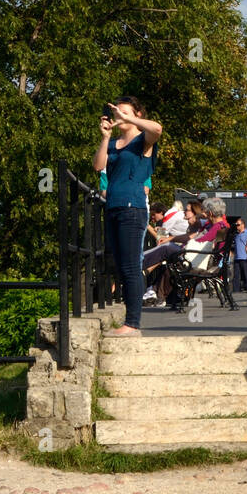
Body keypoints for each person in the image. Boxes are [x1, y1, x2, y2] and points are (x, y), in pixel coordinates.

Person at [93, 97, 161, 336]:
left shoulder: (143, 141)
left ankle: (132, 324)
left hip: (133, 208)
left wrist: (128, 118)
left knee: (132, 266)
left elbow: (157, 129)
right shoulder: (114, 143)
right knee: (121, 266)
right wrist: (104, 138)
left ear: (137, 114)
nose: (118, 115)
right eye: (116, 112)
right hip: (113, 206)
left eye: (124, 111)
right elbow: (97, 165)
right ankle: (129, 320)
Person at [233, 217, 247, 293]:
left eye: (238, 224)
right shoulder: (236, 234)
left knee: (246, 274)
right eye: (236, 225)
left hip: (245, 257)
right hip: (237, 258)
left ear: (243, 225)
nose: (237, 226)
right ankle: (236, 290)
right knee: (236, 275)